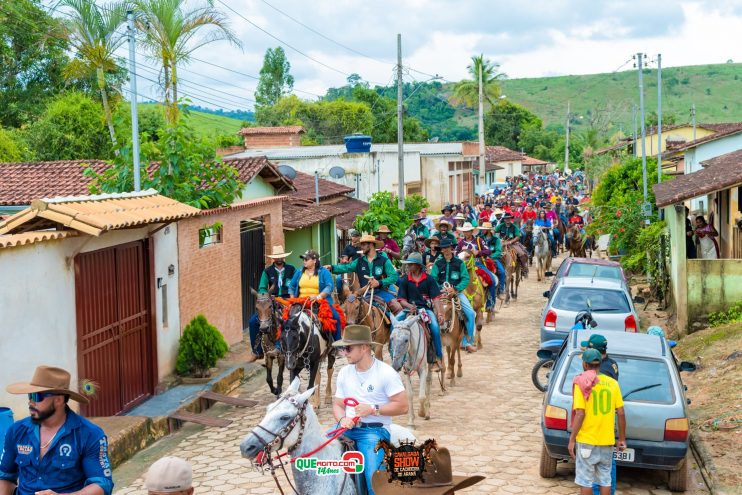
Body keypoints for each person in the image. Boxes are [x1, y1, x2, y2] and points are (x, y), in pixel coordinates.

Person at [1, 366, 114, 495]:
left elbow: (102, 484)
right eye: (29, 395)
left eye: (37, 396)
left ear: (59, 400)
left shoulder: (89, 434)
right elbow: (4, 476)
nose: (31, 402)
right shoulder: (16, 430)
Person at [332, 325, 408, 495]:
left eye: (348, 348)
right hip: (346, 429)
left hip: (373, 432)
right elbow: (338, 405)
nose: (345, 352)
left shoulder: (386, 373)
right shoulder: (344, 372)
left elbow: (403, 406)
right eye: (343, 348)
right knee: (316, 457)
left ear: (364, 348)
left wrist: (374, 409)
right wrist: (341, 420)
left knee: (374, 483)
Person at [569, 349, 627, 495]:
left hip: (587, 440)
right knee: (605, 480)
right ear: (600, 363)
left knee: (585, 480)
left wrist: (572, 439)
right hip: (607, 441)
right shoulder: (613, 383)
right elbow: (620, 412)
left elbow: (580, 413)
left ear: (585, 364)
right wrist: (621, 439)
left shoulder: (581, 383)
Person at [247, 245, 296, 363]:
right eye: (276, 257)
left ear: (284, 257)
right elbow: (262, 288)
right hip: (271, 301)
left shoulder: (292, 269)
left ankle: (289, 346)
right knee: (253, 321)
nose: (279, 259)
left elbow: (295, 285)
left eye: (281, 257)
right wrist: (266, 296)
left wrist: (293, 297)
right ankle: (257, 351)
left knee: (286, 319)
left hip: (287, 300)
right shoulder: (267, 271)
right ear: (273, 259)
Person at [396, 252, 444, 370]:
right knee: (395, 324)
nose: (408, 267)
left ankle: (438, 357)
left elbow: (436, 298)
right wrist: (408, 306)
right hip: (409, 310)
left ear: (418, 266)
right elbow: (401, 299)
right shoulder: (405, 280)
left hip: (425, 310)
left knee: (435, 329)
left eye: (411, 264)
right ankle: (394, 354)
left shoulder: (429, 280)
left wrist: (440, 313)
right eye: (408, 264)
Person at [327, 234, 400, 311]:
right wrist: (332, 267)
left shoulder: (384, 260)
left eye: (364, 244)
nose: (361, 247)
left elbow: (393, 277)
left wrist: (379, 283)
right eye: (361, 245)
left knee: (398, 308)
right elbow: (346, 267)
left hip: (381, 292)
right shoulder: (359, 261)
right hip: (364, 294)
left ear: (371, 245)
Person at [430, 238, 477, 353]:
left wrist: (455, 289)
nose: (445, 250)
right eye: (443, 248)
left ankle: (467, 342)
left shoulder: (459, 263)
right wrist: (440, 289)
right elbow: (432, 279)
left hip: (456, 293)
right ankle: (430, 340)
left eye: (447, 247)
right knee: (428, 313)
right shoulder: (438, 264)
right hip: (440, 294)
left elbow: (465, 279)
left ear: (451, 248)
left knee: (471, 314)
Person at [289, 250, 342, 342]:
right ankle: (279, 346)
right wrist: (292, 299)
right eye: (303, 259)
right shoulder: (299, 271)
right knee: (286, 319)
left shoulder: (324, 272)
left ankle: (338, 346)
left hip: (319, 301)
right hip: (301, 302)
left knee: (336, 317)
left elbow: (329, 286)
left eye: (306, 259)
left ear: (314, 261)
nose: (304, 261)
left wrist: (318, 297)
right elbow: (291, 286)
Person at [455, 222, 497, 309]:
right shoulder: (460, 242)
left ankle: (490, 304)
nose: (466, 233)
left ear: (472, 231)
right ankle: (456, 304)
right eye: (465, 231)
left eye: (468, 231)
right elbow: (456, 253)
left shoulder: (479, 240)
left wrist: (478, 252)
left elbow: (488, 251)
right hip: (463, 266)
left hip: (477, 264)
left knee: (491, 280)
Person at [494, 212, 529, 277]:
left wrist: (510, 242)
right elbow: (493, 231)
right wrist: (497, 239)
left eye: (509, 218)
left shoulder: (514, 227)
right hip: (502, 243)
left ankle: (524, 268)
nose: (507, 220)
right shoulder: (500, 225)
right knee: (494, 251)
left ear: (511, 219)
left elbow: (518, 236)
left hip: (512, 243)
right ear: (504, 219)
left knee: (522, 254)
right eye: (506, 218)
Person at [478, 222, 506, 300]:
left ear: (489, 230)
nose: (483, 230)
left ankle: (500, 291)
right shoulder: (479, 238)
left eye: (485, 229)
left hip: (493, 259)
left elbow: (498, 251)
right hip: (481, 259)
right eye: (482, 229)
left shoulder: (496, 239)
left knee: (502, 272)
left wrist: (490, 256)